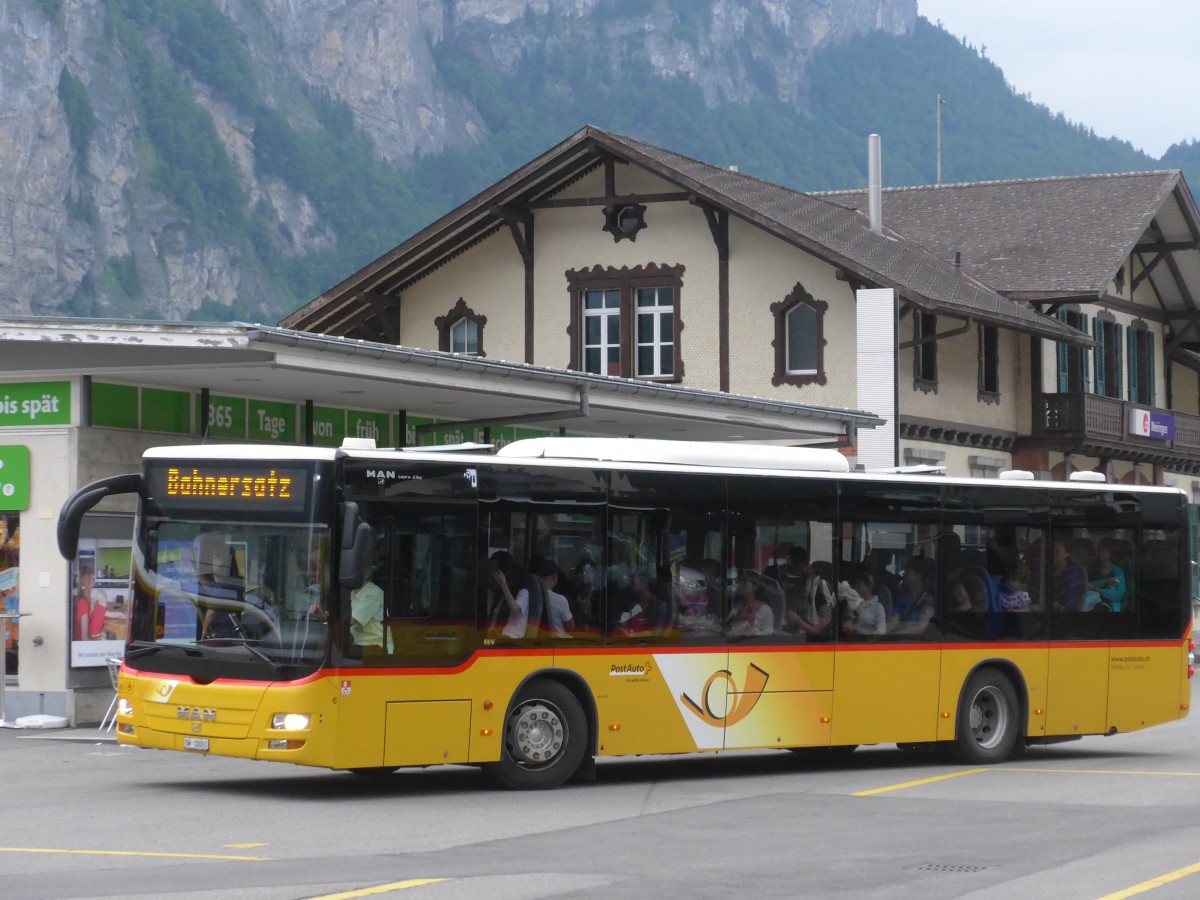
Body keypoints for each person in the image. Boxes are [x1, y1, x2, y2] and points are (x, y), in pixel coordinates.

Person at [780, 547, 832, 639]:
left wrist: (797, 620)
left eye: (811, 583)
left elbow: (815, 630)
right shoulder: (809, 604)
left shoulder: (825, 607)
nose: (805, 586)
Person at [890, 556, 936, 635]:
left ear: (918, 576)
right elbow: (894, 621)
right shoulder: (901, 597)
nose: (904, 576)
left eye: (908, 573)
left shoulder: (927, 599)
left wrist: (897, 634)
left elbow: (921, 627)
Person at [728, 571, 774, 636]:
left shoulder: (765, 609)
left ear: (755, 587)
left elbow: (768, 633)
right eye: (739, 582)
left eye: (744, 582)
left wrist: (752, 632)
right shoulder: (736, 607)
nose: (740, 585)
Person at [1090, 539, 1127, 612]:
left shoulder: (1117, 571)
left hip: (1111, 607)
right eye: (1099, 550)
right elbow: (1087, 585)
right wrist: (1105, 582)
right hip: (1090, 604)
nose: (1100, 553)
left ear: (1111, 552)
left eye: (1104, 550)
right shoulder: (1093, 568)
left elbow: (1118, 594)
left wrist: (1100, 591)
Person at [1051, 540, 1087, 611]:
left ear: (1067, 553)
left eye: (1057, 551)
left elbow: (1072, 602)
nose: (1053, 554)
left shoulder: (1074, 572)